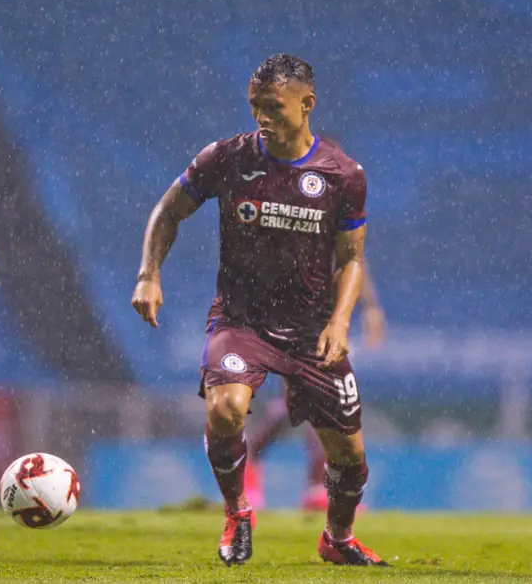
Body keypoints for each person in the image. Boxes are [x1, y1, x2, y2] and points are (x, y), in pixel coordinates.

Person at [132, 53, 387, 566]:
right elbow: (168, 210)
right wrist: (148, 273)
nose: (262, 117)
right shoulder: (227, 158)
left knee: (350, 458)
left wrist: (341, 322)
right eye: (255, 106)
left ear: (307, 104)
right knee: (225, 409)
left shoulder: (342, 174)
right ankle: (237, 513)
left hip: (312, 332)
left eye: (273, 106)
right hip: (240, 321)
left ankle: (337, 539)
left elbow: (353, 258)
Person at [245, 254, 386, 511]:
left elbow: (353, 258)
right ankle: (251, 471)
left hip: (325, 330)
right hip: (291, 326)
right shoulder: (294, 236)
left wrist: (371, 307)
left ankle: (314, 487)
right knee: (298, 404)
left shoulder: (335, 231)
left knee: (318, 405)